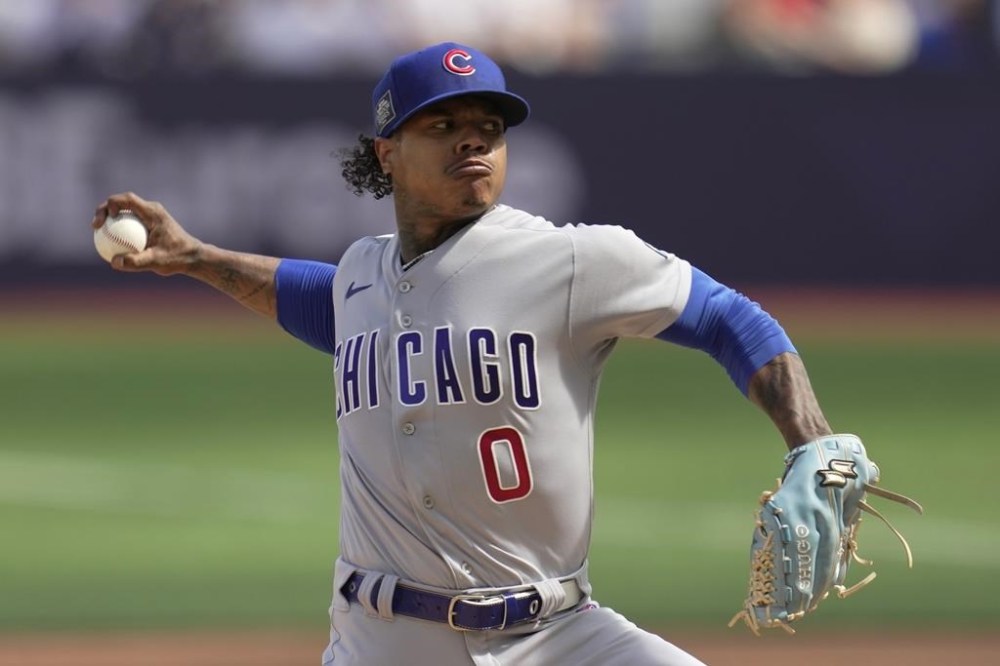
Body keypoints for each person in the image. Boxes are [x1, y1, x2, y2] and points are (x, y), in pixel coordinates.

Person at [92, 42, 835, 666]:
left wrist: (813, 443)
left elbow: (726, 316)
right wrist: (193, 257)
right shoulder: (362, 275)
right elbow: (317, 299)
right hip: (381, 642)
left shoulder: (571, 261)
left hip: (557, 636)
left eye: (487, 126)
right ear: (387, 152)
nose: (472, 140)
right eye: (442, 124)